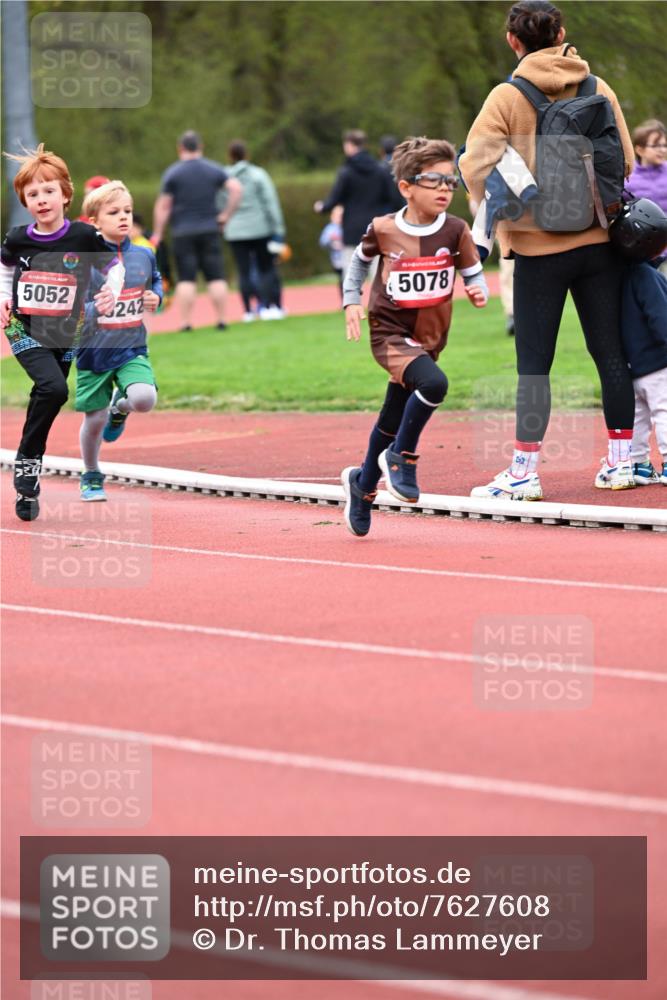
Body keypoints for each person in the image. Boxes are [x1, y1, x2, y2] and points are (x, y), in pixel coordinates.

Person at [459, 0, 636, 499]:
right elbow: (623, 161)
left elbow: (476, 165)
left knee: (534, 364)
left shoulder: (506, 95)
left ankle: (523, 473)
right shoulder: (599, 87)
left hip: (538, 251)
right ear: (561, 34)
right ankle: (622, 462)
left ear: (513, 41)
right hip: (601, 242)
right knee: (610, 354)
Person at [341, 137, 488, 537]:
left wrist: (478, 291)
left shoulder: (456, 230)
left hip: (431, 336)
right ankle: (401, 457)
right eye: (434, 181)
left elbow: (474, 274)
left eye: (450, 182)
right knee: (434, 384)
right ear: (406, 187)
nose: (444, 189)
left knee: (393, 413)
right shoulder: (384, 228)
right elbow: (358, 263)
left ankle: (364, 482)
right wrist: (351, 301)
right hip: (388, 333)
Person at [0, 144, 122, 521]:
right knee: (54, 389)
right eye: (32, 194)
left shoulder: (85, 238)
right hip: (24, 327)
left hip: (68, 332)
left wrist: (111, 291)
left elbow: (115, 266)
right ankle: (27, 465)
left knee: (47, 393)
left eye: (48, 191)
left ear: (65, 195)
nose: (41, 199)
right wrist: (4, 296)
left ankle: (27, 467)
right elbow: (4, 269)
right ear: (24, 201)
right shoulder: (19, 238)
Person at [75, 181, 162, 501]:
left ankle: (120, 408)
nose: (123, 217)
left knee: (144, 399)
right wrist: (93, 308)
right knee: (94, 420)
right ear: (95, 221)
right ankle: (91, 473)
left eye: (127, 210)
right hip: (94, 350)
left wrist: (156, 297)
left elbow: (154, 282)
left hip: (131, 347)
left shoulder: (143, 254)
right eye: (114, 212)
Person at [152, 131, 242, 332]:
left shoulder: (173, 173)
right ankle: (221, 319)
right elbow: (236, 189)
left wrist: (158, 232)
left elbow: (164, 205)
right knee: (216, 276)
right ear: (200, 147)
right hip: (210, 229)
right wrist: (226, 215)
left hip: (182, 232)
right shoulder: (213, 169)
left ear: (180, 148)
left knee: (186, 278)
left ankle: (186, 322)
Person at [611, 198, 667, 486]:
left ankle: (637, 465)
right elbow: (661, 318)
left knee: (639, 418)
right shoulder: (646, 276)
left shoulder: (612, 278)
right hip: (659, 363)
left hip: (632, 366)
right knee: (664, 411)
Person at [314, 129, 397, 278]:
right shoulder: (379, 170)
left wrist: (322, 207)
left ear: (349, 145)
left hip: (351, 230)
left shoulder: (346, 172)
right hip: (375, 228)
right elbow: (393, 198)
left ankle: (351, 302)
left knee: (351, 277)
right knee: (378, 276)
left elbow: (335, 198)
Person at [223, 139, 286, 321]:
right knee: (265, 268)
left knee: (243, 271)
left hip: (235, 231)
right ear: (247, 154)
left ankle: (248, 311)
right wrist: (278, 228)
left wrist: (224, 221)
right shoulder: (258, 174)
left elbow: (220, 202)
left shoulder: (225, 177)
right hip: (260, 229)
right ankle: (266, 307)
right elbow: (270, 203)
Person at [626, 119, 667, 213]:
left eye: (664, 145)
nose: (662, 150)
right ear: (640, 150)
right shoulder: (627, 178)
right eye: (656, 146)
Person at [318, 205, 344, 301]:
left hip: (349, 259)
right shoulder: (330, 229)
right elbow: (323, 242)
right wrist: (330, 241)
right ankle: (344, 300)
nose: (340, 218)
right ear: (332, 217)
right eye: (337, 215)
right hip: (338, 260)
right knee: (343, 279)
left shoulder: (348, 227)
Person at [379, 135, 407, 213]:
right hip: (403, 209)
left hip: (385, 210)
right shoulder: (405, 165)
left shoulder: (379, 168)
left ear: (381, 150)